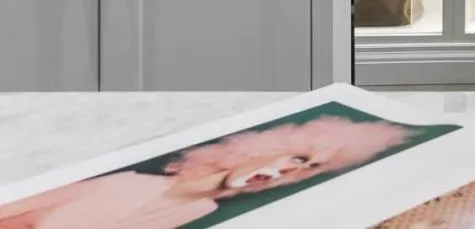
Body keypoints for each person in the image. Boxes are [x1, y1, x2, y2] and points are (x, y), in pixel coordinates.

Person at [0, 115, 415, 229]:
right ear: (257, 149)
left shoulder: (200, 213)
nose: (287, 172)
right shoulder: (121, 182)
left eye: (305, 170)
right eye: (296, 157)